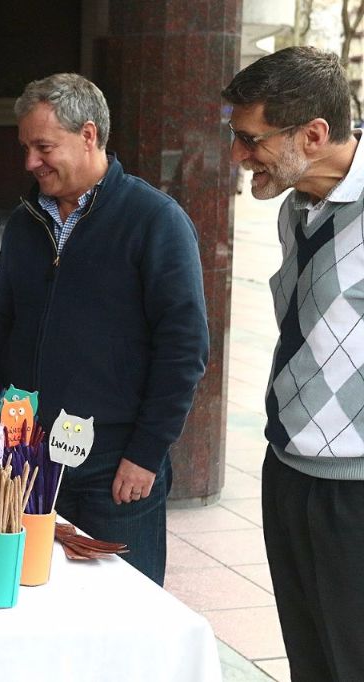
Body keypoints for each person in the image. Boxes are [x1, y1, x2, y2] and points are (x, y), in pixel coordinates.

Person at [0, 73, 209, 586]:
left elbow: (184, 350)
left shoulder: (155, 221)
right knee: (28, 596)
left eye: (43, 146)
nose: (30, 162)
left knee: (122, 611)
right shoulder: (25, 221)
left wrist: (145, 454)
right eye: (26, 147)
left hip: (114, 467)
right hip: (23, 452)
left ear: (90, 135)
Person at [223, 46, 364, 680]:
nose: (237, 155)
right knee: (311, 660)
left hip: (355, 490)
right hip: (288, 468)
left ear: (314, 134)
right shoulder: (295, 210)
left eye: (250, 139)